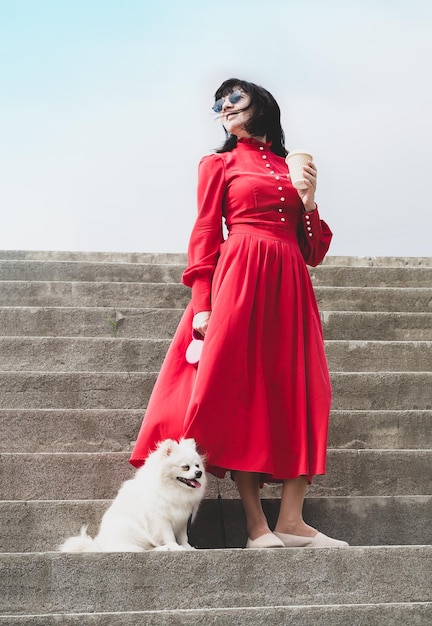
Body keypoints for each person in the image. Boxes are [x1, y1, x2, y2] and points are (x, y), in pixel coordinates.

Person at [130, 78, 348, 549]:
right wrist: (203, 306)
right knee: (247, 397)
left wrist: (309, 203)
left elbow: (313, 250)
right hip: (241, 278)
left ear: (262, 106)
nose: (223, 108)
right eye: (218, 104)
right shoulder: (219, 164)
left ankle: (292, 521)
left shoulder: (293, 166)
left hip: (290, 281)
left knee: (307, 392)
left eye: (233, 100)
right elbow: (206, 233)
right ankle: (256, 527)